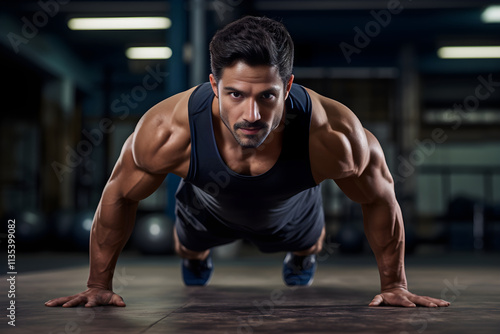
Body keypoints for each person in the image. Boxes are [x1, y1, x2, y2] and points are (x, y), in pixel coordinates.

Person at [46, 16, 450, 308]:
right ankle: (198, 258)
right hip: (205, 207)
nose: (252, 115)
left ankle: (302, 255)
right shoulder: (168, 131)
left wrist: (395, 284)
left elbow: (380, 198)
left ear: (288, 86)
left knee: (310, 243)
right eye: (236, 95)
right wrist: (98, 284)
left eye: (267, 96)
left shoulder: (334, 136)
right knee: (187, 249)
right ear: (214, 86)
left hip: (292, 209)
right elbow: (117, 195)